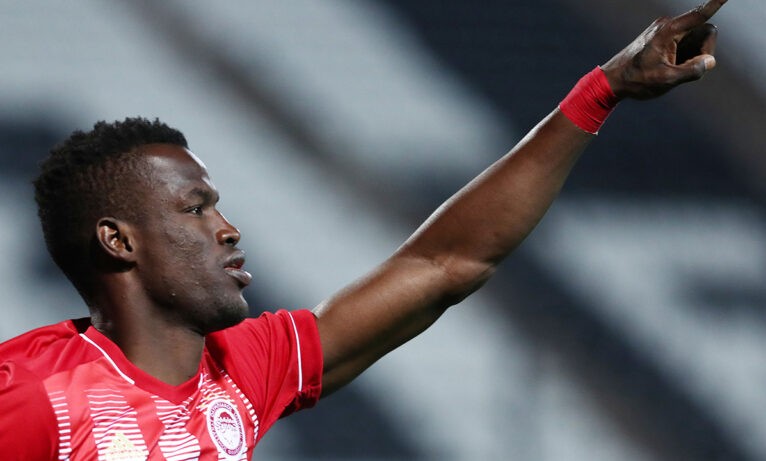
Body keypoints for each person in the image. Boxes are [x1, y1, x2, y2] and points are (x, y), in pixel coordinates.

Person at [0, 0, 727, 459]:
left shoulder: (244, 369)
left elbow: (445, 265)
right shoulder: (35, 396)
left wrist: (601, 91)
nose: (227, 229)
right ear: (119, 241)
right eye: (195, 208)